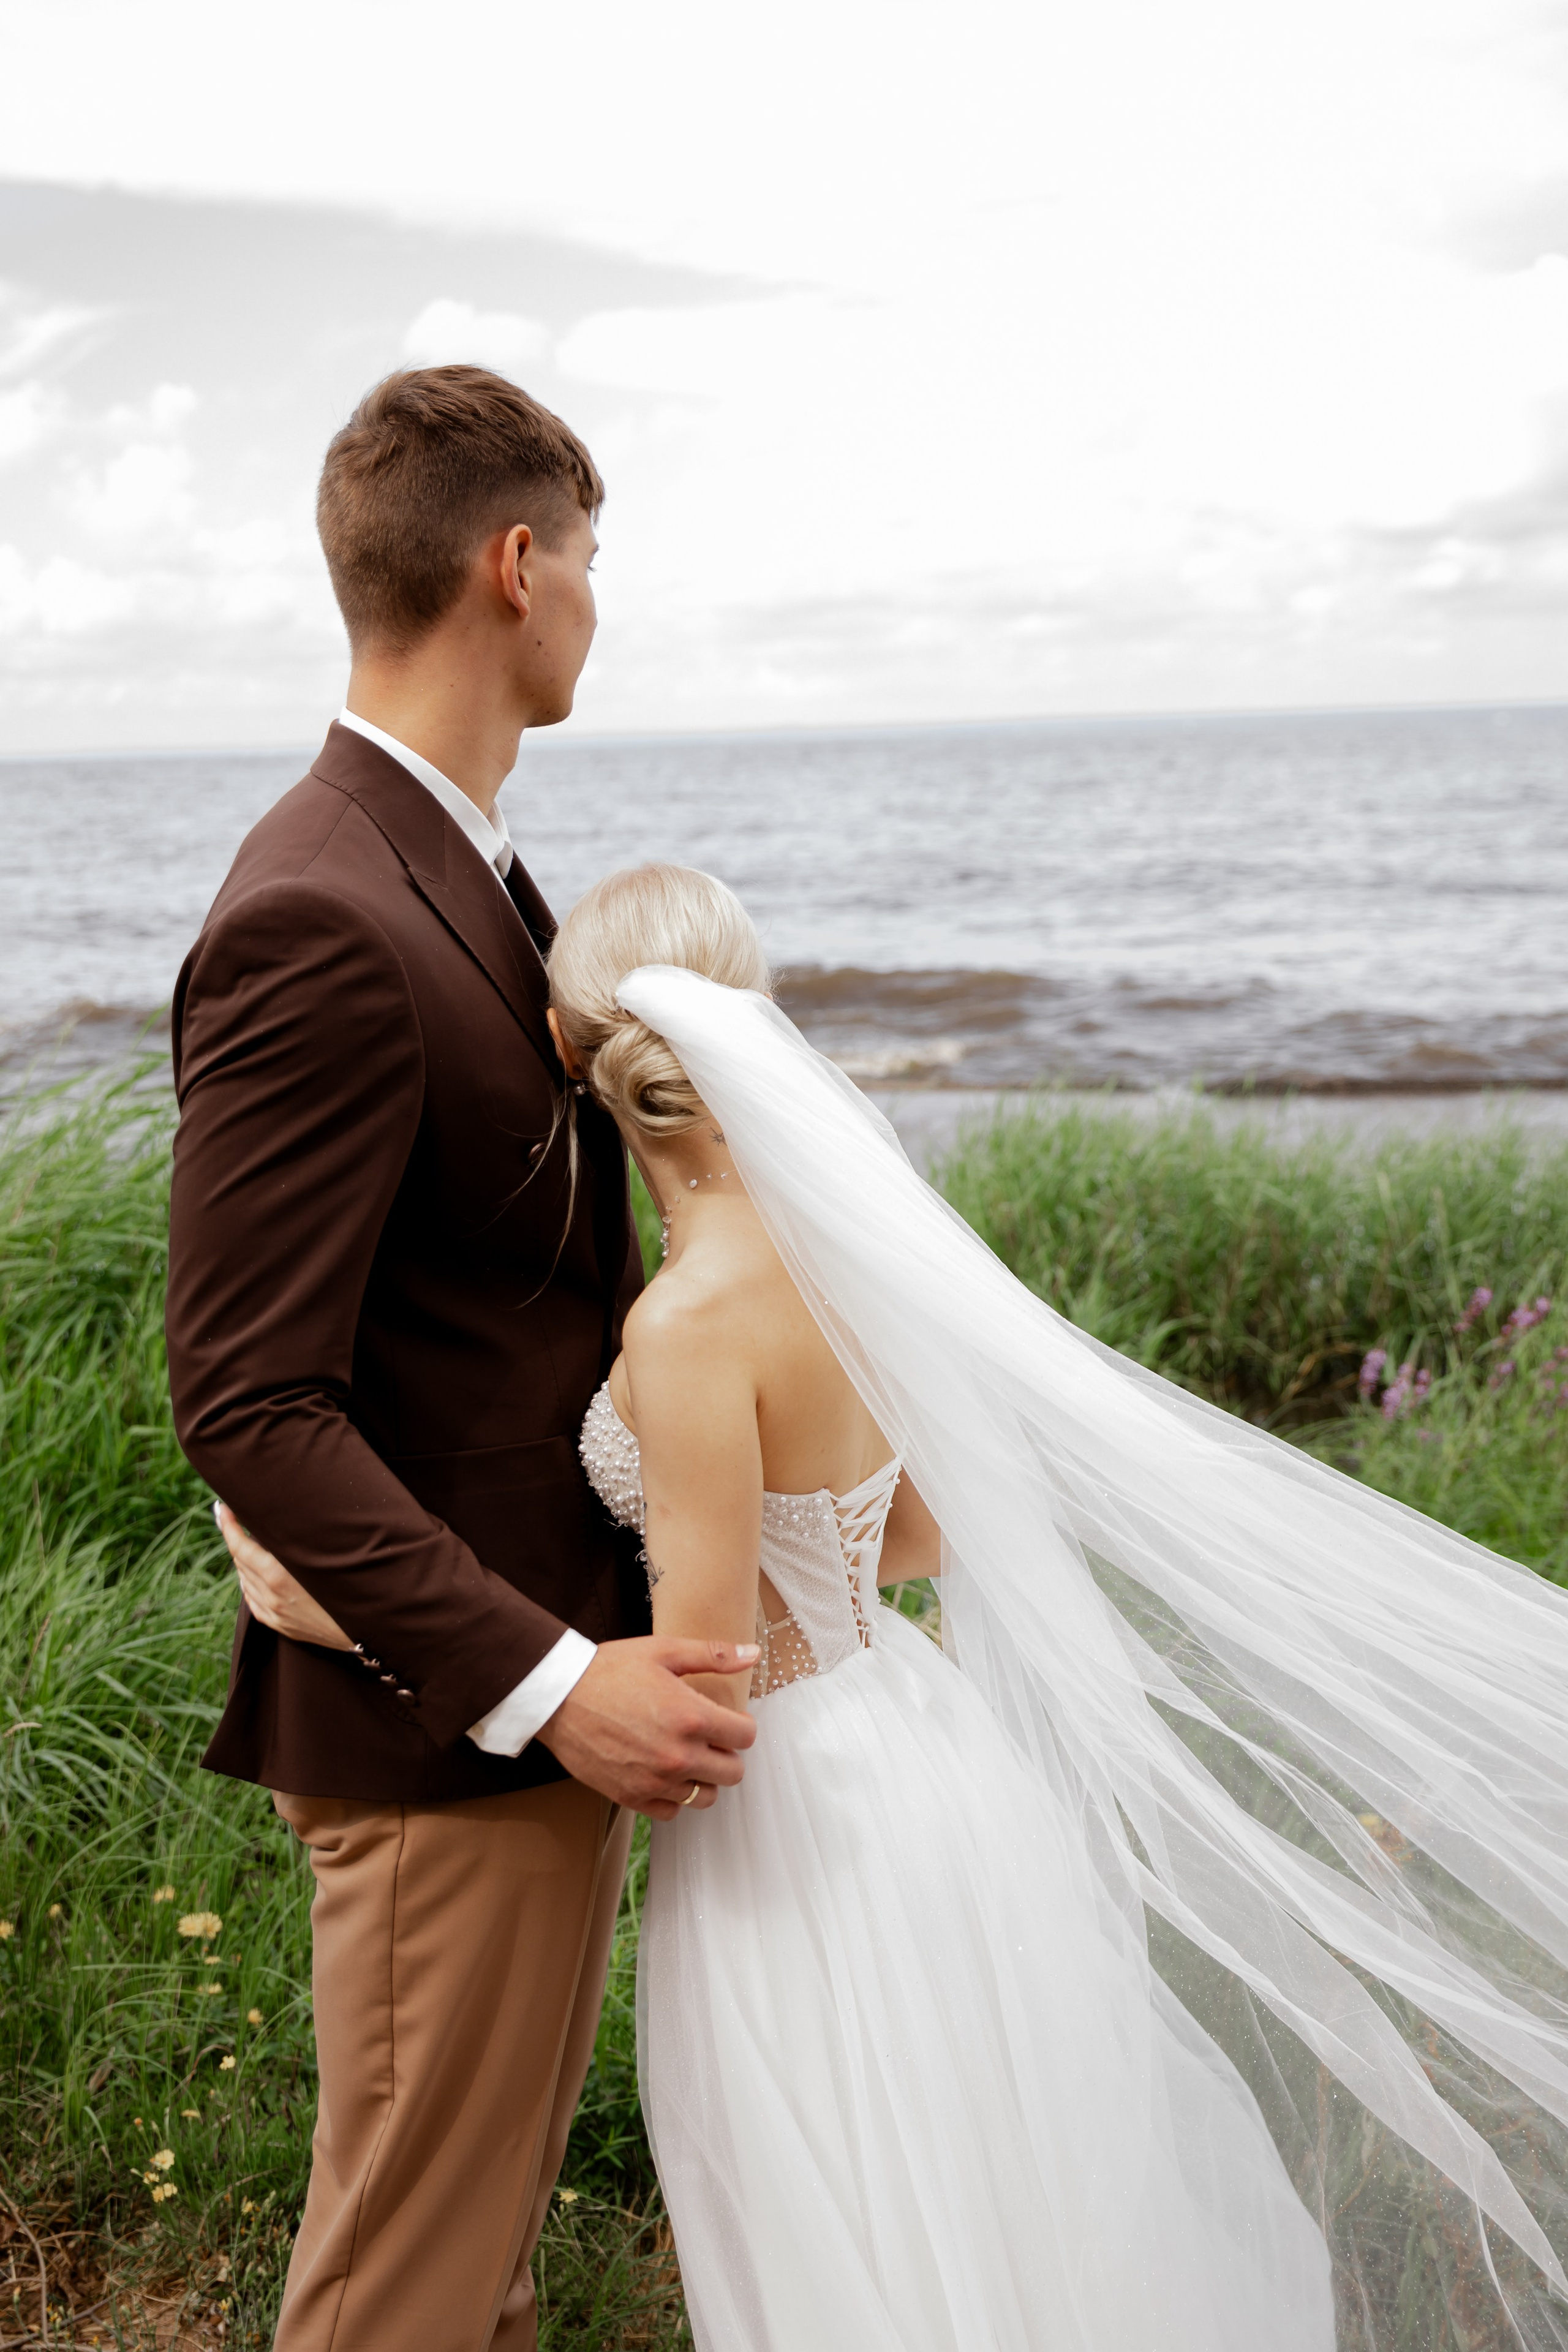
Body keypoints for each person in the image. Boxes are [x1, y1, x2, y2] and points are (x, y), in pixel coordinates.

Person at [222, 859, 1568, 2352]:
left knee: (840, 2192)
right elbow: (913, 1536)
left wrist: (360, 1612)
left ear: (563, 1055)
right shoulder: (845, 1259)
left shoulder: (682, 1328)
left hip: (794, 1807)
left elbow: (708, 1676)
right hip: (918, 1745)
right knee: (986, 2156)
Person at [165, 373, 758, 2352]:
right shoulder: (325, 911)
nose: (598, 597)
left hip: (521, 1730)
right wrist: (550, 1680)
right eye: (591, 556)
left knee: (475, 2286)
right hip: (454, 1743)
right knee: (402, 2305)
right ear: (518, 565)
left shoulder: (469, 867)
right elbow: (248, 1398)